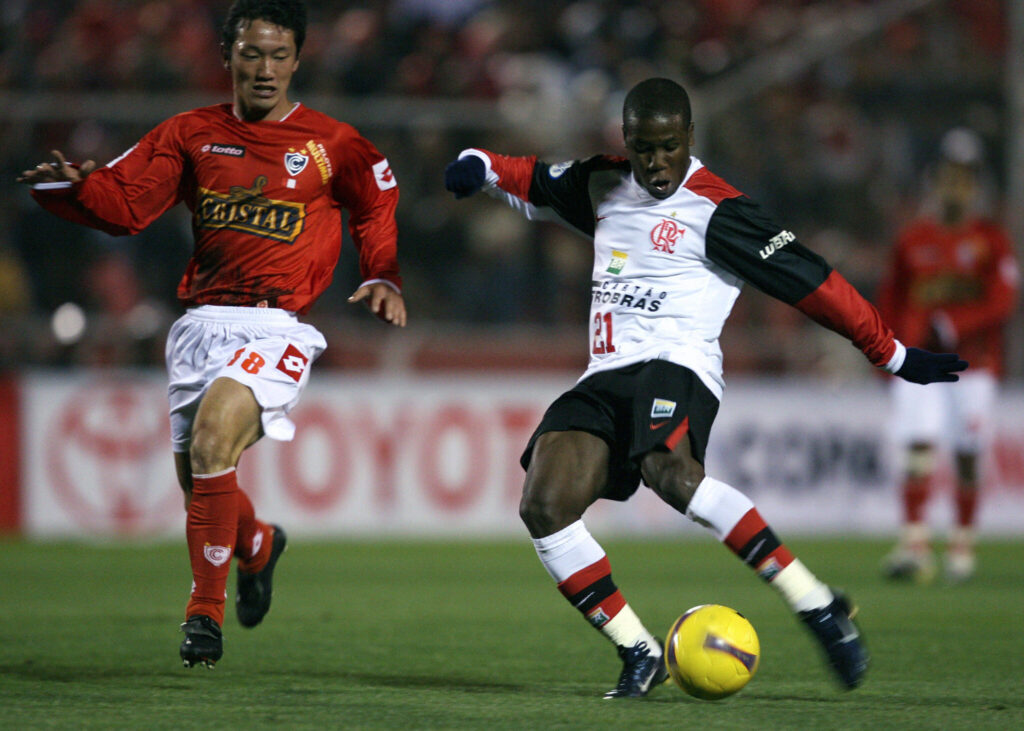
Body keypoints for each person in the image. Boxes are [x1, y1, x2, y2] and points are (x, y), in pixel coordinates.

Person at [444, 77, 966, 698]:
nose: (655, 162)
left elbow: (813, 283)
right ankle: (639, 652)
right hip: (604, 374)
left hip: (678, 364)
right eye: (642, 148)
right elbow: (529, 178)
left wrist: (892, 352)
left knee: (669, 471)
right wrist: (477, 165)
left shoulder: (720, 209)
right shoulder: (603, 181)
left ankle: (815, 603)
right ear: (626, 142)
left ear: (689, 137)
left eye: (668, 146)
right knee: (543, 506)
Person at [18, 0, 406, 668]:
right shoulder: (190, 132)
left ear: (297, 59)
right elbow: (129, 205)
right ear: (226, 56)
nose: (265, 68)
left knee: (213, 435)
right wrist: (76, 190)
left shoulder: (331, 142)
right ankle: (256, 543)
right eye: (251, 53)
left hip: (276, 322)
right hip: (200, 324)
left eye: (279, 55)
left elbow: (375, 200)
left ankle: (204, 614)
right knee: (200, 477)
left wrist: (384, 274)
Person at [877, 128, 1018, 583]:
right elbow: (891, 299)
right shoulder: (913, 239)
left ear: (974, 187)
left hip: (974, 366)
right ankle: (916, 544)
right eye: (948, 179)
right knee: (917, 447)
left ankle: (961, 544)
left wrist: (958, 325)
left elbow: (1004, 299)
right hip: (920, 364)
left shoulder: (991, 240)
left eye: (963, 180)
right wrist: (887, 351)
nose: (954, 188)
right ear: (935, 184)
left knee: (967, 453)